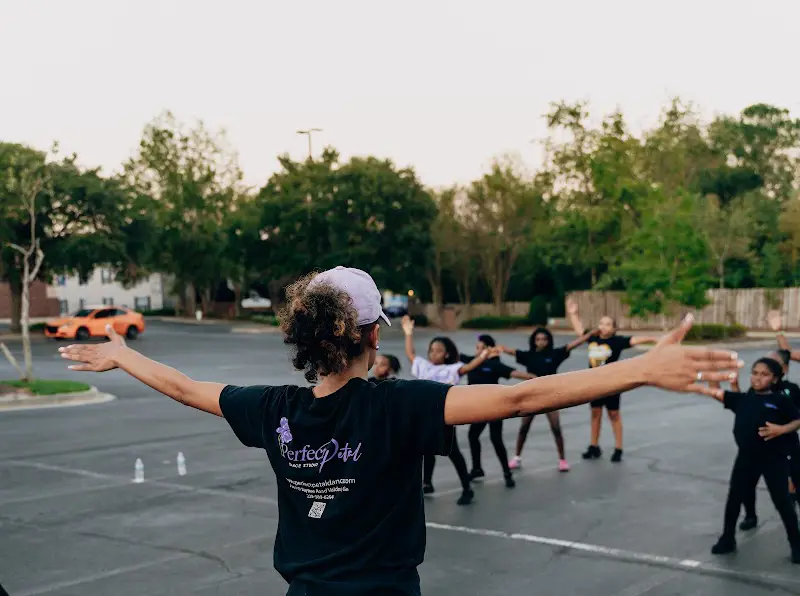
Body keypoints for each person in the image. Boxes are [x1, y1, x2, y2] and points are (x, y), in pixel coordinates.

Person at [59, 266, 742, 596]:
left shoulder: (273, 409)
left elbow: (185, 388)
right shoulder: (397, 405)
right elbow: (520, 398)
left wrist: (122, 355)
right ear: (369, 335)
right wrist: (639, 369)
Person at [707, 358, 800, 563]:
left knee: (783, 502)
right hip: (746, 458)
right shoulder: (744, 399)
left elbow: (797, 420)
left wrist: (781, 429)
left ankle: (796, 545)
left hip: (773, 459)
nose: (757, 378)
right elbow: (716, 392)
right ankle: (727, 539)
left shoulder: (779, 400)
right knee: (734, 498)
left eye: (764, 374)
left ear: (774, 379)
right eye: (755, 373)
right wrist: (713, 370)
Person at [401, 315, 491, 505]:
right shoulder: (424, 367)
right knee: (426, 450)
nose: (434, 354)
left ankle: (467, 488)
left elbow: (468, 367)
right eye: (432, 350)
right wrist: (408, 333)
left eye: (439, 351)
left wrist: (483, 355)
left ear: (447, 354)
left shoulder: (452, 369)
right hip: (425, 416)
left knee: (453, 452)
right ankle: (427, 483)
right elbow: (410, 353)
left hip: (445, 416)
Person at [499, 310, 595, 472]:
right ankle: (517, 457)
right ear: (534, 341)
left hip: (550, 395)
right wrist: (498, 349)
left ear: (548, 340)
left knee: (556, 428)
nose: (541, 342)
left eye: (544, 339)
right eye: (538, 339)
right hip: (531, 395)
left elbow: (572, 345)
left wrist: (589, 335)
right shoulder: (528, 356)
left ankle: (562, 460)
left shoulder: (555, 354)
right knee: (524, 427)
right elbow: (510, 351)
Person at [568, 304, 660, 462]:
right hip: (594, 384)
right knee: (595, 413)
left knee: (614, 414)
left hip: (611, 384)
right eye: (601, 323)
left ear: (614, 328)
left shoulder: (617, 341)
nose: (603, 327)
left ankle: (618, 448)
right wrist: (573, 314)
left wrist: (654, 338)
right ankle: (594, 446)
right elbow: (579, 331)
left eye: (608, 324)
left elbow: (635, 340)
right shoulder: (593, 338)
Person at [461, 334, 535, 488]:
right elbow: (454, 356)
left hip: (495, 407)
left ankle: (507, 473)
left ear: (489, 350)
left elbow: (516, 374)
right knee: (473, 436)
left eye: (482, 348)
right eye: (477, 347)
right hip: (479, 408)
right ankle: (477, 469)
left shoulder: (495, 365)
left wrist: (539, 379)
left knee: (496, 439)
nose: (478, 350)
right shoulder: (471, 362)